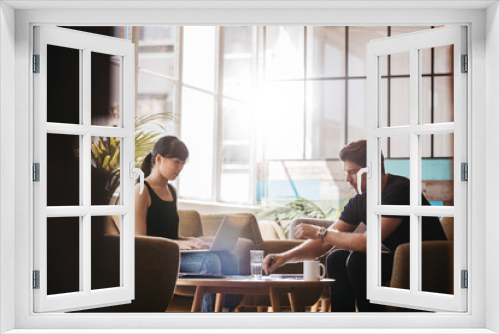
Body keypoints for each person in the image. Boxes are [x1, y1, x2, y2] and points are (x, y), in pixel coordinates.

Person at [262, 139, 447, 312]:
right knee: (336, 258)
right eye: (346, 172)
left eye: (352, 172)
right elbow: (323, 244)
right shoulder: (359, 201)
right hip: (399, 259)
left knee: (359, 259)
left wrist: (320, 232)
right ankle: (344, 323)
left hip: (427, 262)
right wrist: (284, 258)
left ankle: (373, 324)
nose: (347, 179)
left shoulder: (399, 190)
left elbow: (367, 244)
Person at [135, 135, 239, 312]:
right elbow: (141, 240)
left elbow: (168, 233)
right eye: (176, 162)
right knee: (209, 262)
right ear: (159, 159)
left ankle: (224, 312)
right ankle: (208, 321)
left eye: (183, 163)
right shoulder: (141, 191)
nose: (180, 168)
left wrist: (190, 240)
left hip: (175, 252)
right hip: (159, 257)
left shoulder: (171, 190)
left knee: (231, 258)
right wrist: (179, 244)